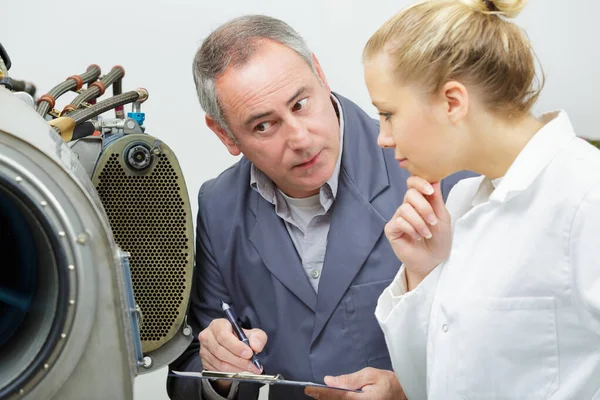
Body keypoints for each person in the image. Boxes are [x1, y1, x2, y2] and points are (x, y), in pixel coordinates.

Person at [166, 15, 474, 400]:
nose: (299, 138)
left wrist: (409, 390)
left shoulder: (441, 171)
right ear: (224, 134)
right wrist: (219, 374)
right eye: (264, 126)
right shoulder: (219, 206)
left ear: (321, 76)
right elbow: (186, 374)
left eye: (300, 103)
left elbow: (507, 352)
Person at [327, 0, 598, 398]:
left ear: (453, 101)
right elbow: (431, 385)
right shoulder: (462, 202)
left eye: (388, 114)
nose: (383, 138)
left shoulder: (586, 197)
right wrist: (424, 272)